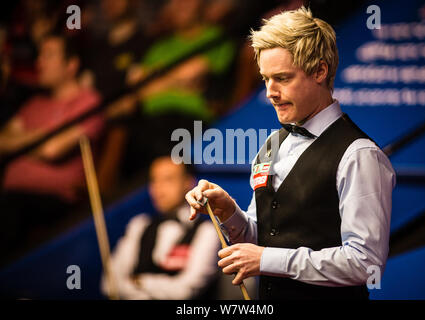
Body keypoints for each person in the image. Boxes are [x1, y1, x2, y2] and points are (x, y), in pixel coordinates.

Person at [185, 7, 396, 300]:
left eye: (282, 78)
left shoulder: (359, 154)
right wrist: (228, 212)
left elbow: (365, 263)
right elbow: (263, 240)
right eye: (265, 79)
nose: (270, 91)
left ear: (320, 71)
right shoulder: (272, 143)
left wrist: (267, 260)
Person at [0, 33, 103, 265]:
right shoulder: (33, 104)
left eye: (49, 55)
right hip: (11, 199)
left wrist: (21, 141)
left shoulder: (87, 101)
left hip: (54, 201)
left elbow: (52, 150)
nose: (39, 63)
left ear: (71, 65)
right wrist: (41, 137)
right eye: (39, 56)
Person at [101, 156, 220, 300]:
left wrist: (138, 281)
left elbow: (185, 291)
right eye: (154, 180)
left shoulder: (207, 231)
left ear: (189, 183)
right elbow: (109, 284)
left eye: (168, 179)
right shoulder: (139, 225)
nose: (158, 188)